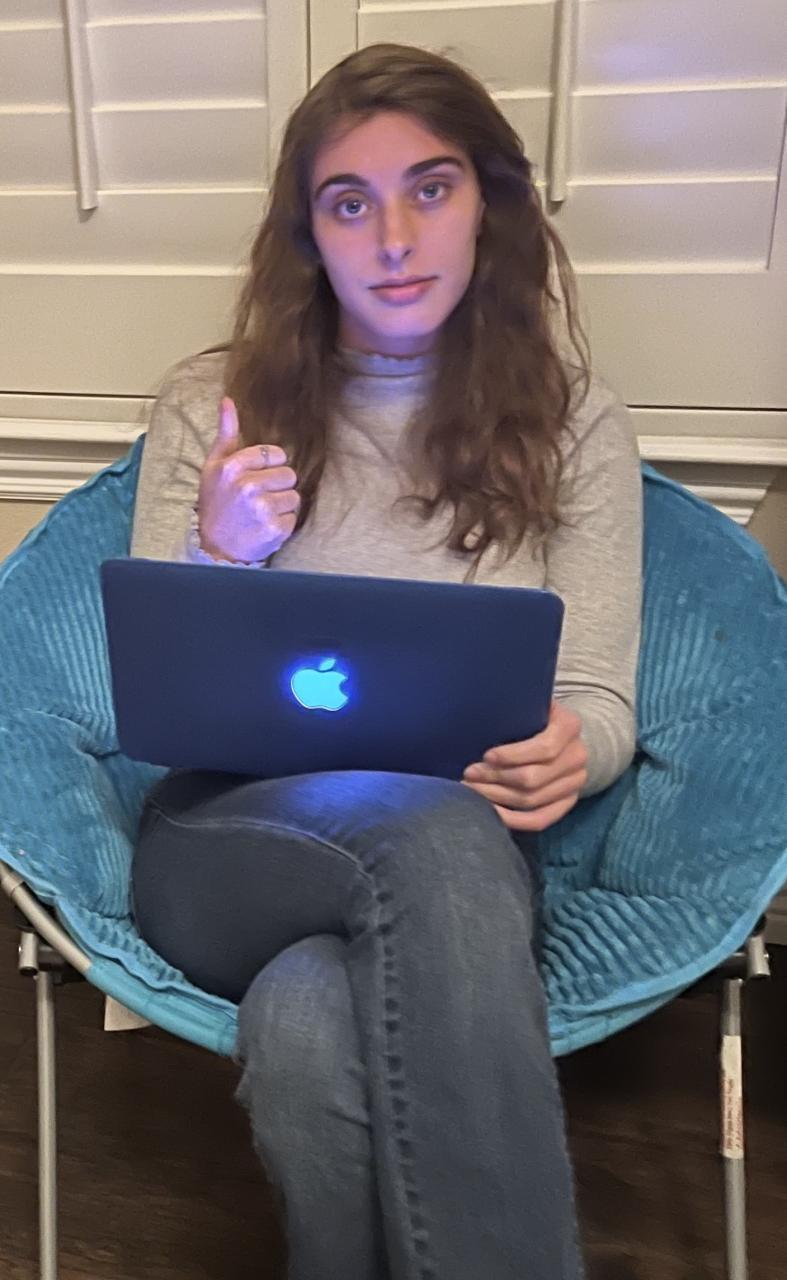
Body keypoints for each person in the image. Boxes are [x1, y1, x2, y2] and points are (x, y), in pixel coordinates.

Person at [129, 42, 642, 1280]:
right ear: (308, 234)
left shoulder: (573, 422)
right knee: (438, 838)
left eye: (432, 187)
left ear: (489, 206)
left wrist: (574, 749)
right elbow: (149, 696)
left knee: (307, 1016)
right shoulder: (212, 407)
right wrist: (218, 552)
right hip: (223, 840)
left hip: (451, 875)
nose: (394, 238)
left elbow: (597, 694)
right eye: (349, 202)